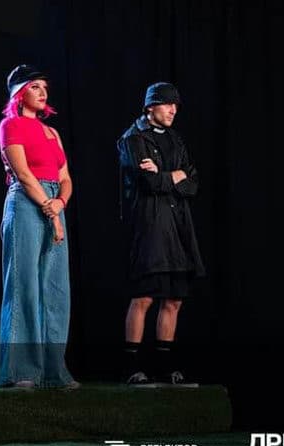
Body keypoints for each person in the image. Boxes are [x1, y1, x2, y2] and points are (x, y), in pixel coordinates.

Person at [117, 82, 204, 386]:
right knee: (144, 297)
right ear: (151, 106)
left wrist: (166, 175)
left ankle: (165, 367)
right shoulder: (133, 138)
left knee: (174, 299)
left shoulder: (176, 139)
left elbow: (192, 183)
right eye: (168, 104)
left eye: (176, 106)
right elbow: (148, 183)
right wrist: (173, 176)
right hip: (151, 225)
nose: (173, 110)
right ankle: (131, 367)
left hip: (178, 226)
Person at [0, 65, 78, 389]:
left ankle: (54, 371)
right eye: (35, 86)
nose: (43, 92)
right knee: (24, 287)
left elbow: (66, 178)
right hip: (27, 203)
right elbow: (23, 174)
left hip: (54, 202)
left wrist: (60, 203)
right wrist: (52, 211)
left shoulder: (52, 133)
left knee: (56, 290)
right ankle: (21, 371)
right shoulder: (11, 125)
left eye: (45, 86)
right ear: (19, 93)